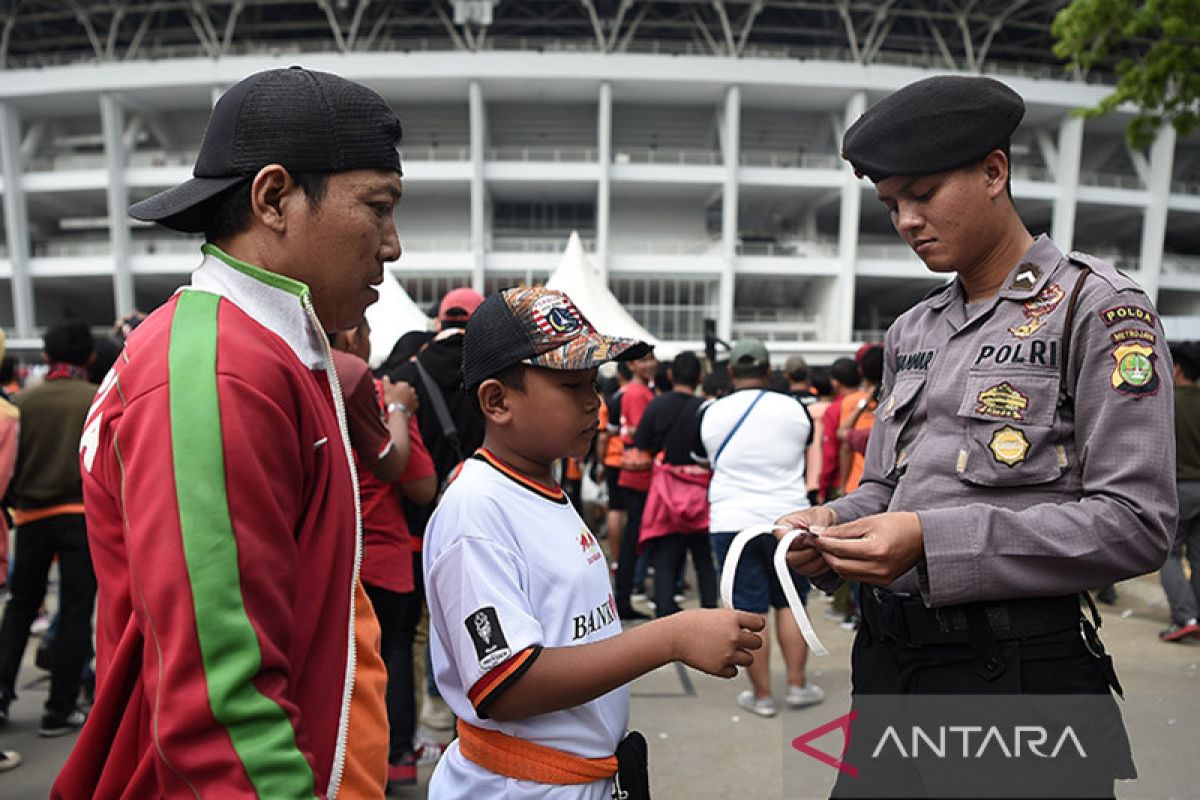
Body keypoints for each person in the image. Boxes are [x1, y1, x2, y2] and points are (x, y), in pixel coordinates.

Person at [780, 74, 1174, 798]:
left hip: (1016, 674)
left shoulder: (1097, 310)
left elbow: (1137, 524)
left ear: (995, 171)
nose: (906, 221)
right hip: (890, 667)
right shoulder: (913, 329)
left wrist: (933, 540)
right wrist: (832, 523)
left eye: (923, 195)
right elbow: (887, 486)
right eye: (891, 203)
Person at [54, 67, 404, 798]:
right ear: (274, 198)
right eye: (378, 206)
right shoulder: (223, 369)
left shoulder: (267, 349)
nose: (392, 245)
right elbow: (219, 711)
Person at [423, 286, 764, 799]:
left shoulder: (544, 490)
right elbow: (507, 686)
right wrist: (670, 638)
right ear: (497, 401)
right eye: (572, 385)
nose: (594, 402)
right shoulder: (476, 509)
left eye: (595, 382)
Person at [330, 320, 438, 787]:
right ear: (352, 338)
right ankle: (393, 761)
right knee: (389, 661)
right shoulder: (370, 391)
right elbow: (418, 483)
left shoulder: (299, 384)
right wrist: (400, 410)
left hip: (335, 560)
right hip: (385, 558)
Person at [702, 339, 824, 718]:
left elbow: (709, 459)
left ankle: (763, 696)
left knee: (750, 611)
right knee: (791, 602)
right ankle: (799, 685)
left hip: (732, 520)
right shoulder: (791, 408)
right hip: (787, 519)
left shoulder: (712, 412)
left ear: (732, 372)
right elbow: (805, 446)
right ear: (769, 371)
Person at [0, 321, 96, 737]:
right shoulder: (95, 398)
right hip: (80, 516)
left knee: (21, 606)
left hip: (32, 518)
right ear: (89, 358)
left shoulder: (26, 401)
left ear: (44, 356)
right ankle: (59, 709)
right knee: (75, 611)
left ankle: (1, 698)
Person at [632, 351, 717, 617]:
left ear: (670, 375)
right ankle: (709, 611)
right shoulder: (707, 409)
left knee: (665, 556)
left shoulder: (657, 405)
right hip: (700, 490)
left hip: (666, 490)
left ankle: (665, 613)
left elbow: (641, 442)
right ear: (700, 377)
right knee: (703, 559)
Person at [612, 349, 659, 619]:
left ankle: (625, 596)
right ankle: (624, 598)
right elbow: (643, 434)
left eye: (651, 358)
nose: (650, 364)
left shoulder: (633, 391)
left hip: (633, 472)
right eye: (643, 360)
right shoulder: (638, 393)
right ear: (631, 364)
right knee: (634, 538)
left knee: (633, 536)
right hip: (639, 473)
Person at [1160, 341, 1200, 641]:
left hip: (1178, 488)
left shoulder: (1167, 403)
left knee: (1169, 555)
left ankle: (1186, 617)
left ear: (1176, 368)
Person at [818, 357, 861, 503]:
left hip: (842, 486)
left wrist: (823, 489)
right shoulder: (871, 402)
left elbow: (830, 454)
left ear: (835, 382)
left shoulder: (835, 409)